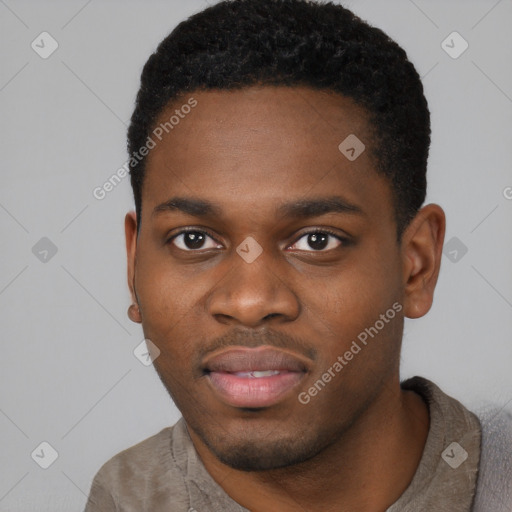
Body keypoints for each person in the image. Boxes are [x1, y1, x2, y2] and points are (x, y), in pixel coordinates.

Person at [84, 0, 512, 510]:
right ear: (133, 266)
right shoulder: (125, 497)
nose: (248, 301)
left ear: (416, 265)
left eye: (317, 240)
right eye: (193, 239)